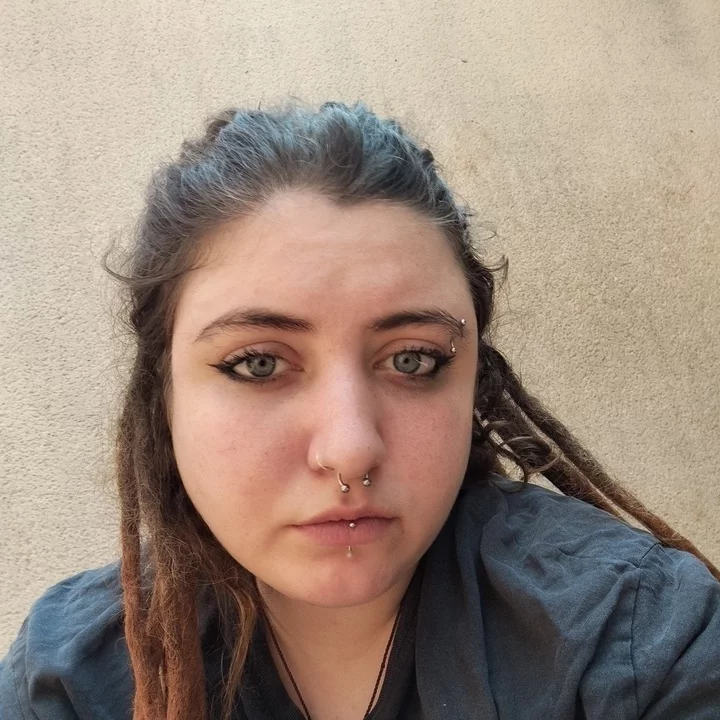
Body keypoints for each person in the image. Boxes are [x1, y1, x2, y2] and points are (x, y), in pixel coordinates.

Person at [1, 100, 719, 720]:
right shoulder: (71, 676)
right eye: (258, 364)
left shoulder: (636, 637)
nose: (350, 449)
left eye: (413, 360)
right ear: (164, 399)